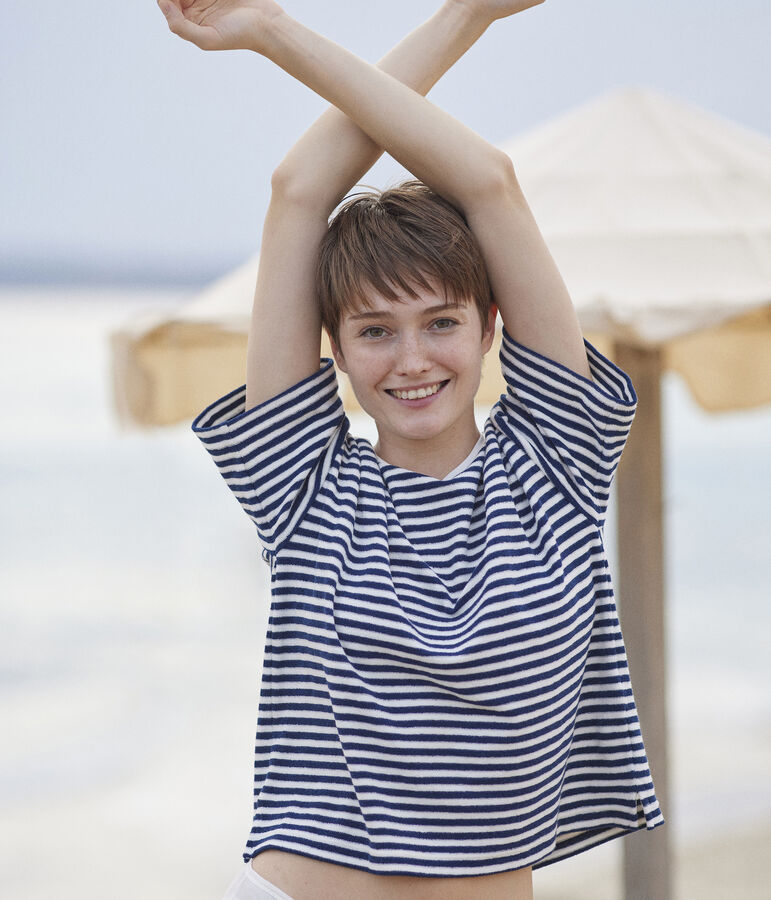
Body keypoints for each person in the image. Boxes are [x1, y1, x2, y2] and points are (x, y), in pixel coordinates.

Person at [158, 1, 664, 898]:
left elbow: (489, 185)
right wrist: (266, 28)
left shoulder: (558, 462)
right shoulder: (305, 487)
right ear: (334, 349)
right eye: (374, 331)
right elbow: (298, 190)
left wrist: (470, 12)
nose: (413, 360)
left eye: (440, 322)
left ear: (489, 324)